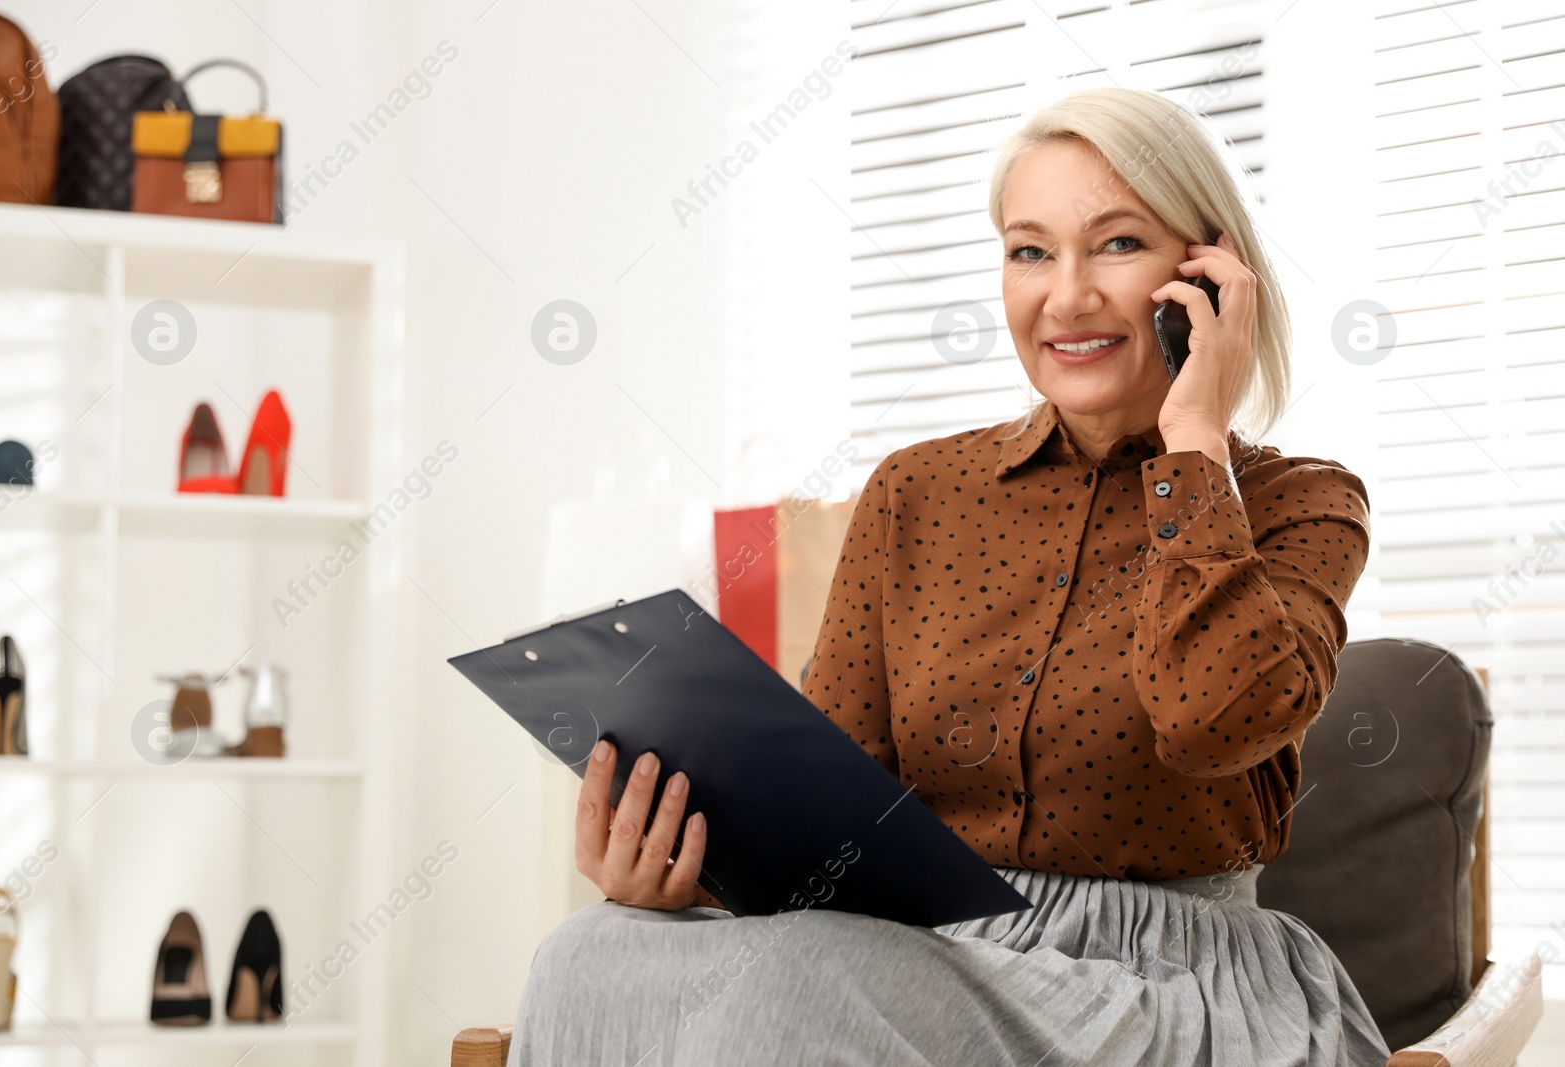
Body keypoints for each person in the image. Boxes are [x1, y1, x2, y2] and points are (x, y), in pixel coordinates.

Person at [508, 86, 1392, 1066]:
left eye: (1116, 244)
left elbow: (1209, 715)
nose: (1066, 296)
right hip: (926, 947)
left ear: (1210, 276)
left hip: (1167, 978)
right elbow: (829, 809)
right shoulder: (915, 492)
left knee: (799, 975)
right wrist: (686, 864)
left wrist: (1194, 440)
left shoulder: (1301, 503)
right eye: (1029, 250)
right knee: (585, 955)